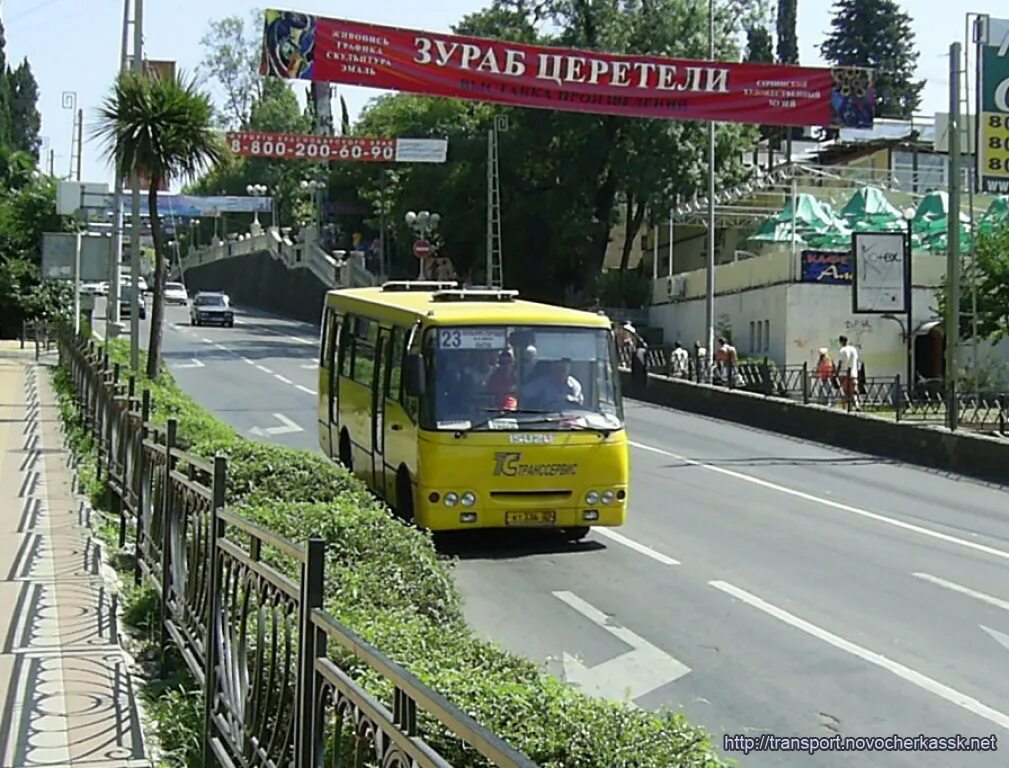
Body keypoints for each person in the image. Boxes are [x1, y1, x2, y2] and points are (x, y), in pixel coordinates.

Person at [837, 335, 860, 408]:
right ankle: (856, 405)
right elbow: (856, 361)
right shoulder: (853, 349)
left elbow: (840, 363)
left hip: (844, 373)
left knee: (844, 391)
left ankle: (845, 407)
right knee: (853, 391)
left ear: (840, 342)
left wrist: (837, 372)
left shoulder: (842, 350)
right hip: (853, 373)